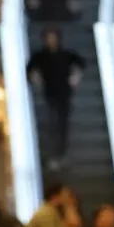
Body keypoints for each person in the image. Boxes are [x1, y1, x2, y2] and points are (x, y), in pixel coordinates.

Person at [27, 28, 84, 158]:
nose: (51, 41)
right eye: (48, 38)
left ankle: (62, 150)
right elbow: (30, 69)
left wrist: (75, 77)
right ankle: (52, 151)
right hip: (49, 92)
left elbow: (80, 64)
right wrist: (36, 78)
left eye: (53, 38)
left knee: (63, 121)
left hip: (64, 92)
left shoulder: (66, 54)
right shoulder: (40, 56)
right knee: (52, 120)